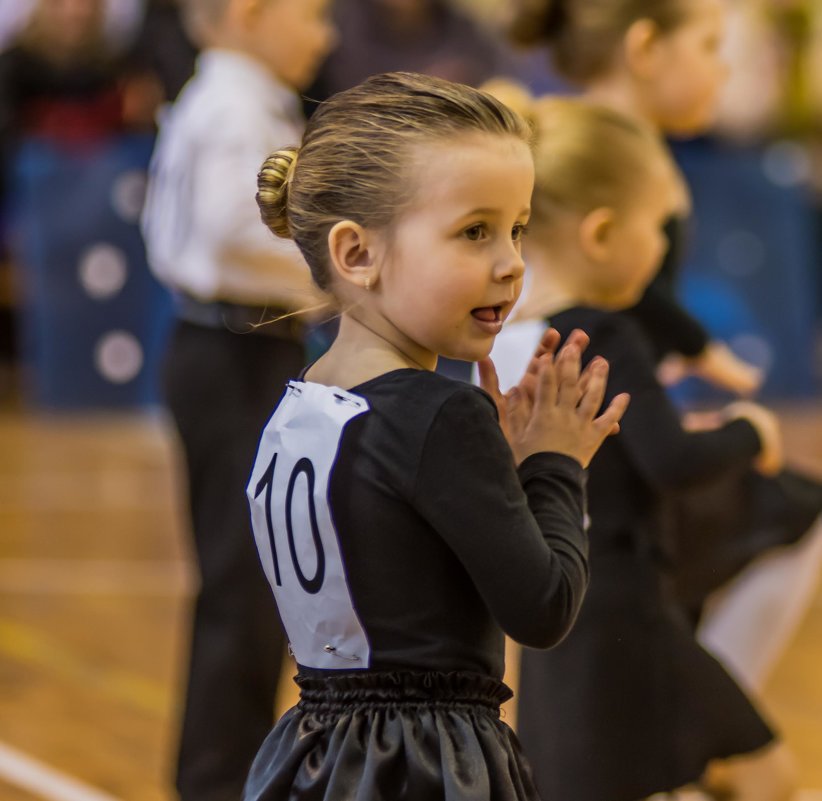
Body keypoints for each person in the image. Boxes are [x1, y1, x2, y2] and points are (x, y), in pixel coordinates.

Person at [243, 70, 629, 801]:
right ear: (357, 253)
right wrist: (554, 464)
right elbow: (543, 607)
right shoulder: (440, 414)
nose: (512, 261)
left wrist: (501, 480)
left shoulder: (297, 405)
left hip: (314, 756)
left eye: (517, 227)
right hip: (427, 761)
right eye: (474, 231)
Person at [483, 92, 798, 801]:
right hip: (626, 615)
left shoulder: (500, 340)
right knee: (767, 776)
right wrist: (752, 430)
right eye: (658, 226)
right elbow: (672, 461)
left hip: (553, 619)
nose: (662, 247)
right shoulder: (606, 333)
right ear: (601, 233)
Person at [506, 0, 822, 695]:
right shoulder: (597, 152)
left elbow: (631, 307)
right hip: (600, 456)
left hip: (616, 428)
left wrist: (675, 376)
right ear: (646, 47)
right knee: (792, 510)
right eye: (709, 46)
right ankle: (709, 716)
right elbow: (611, 303)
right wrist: (697, 361)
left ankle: (693, 716)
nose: (723, 70)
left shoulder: (603, 143)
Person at [140, 1, 335, 799]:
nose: (323, 32)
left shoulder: (230, 95)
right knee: (244, 583)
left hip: (237, 347)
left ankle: (232, 772)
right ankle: (219, 782)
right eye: (313, 12)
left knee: (255, 583)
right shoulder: (231, 104)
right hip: (232, 351)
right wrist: (342, 268)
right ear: (251, 14)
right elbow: (228, 231)